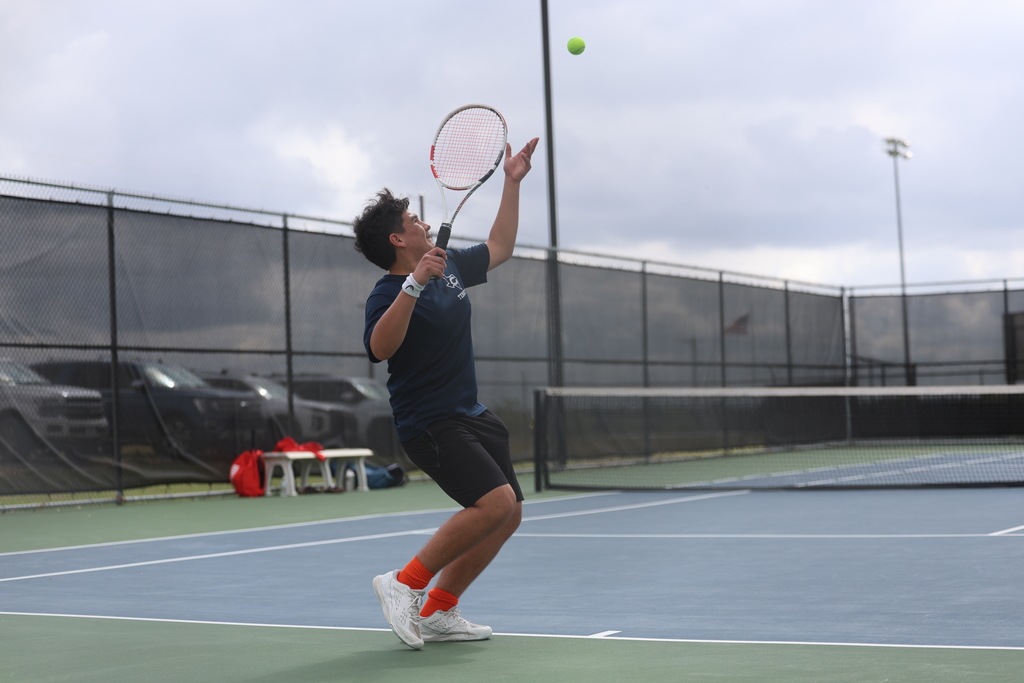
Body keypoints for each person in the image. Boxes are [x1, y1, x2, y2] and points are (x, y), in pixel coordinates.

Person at [353, 135, 540, 650]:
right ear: (397, 240)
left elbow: (501, 247)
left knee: (510, 512)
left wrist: (511, 182)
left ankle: (439, 609)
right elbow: (379, 347)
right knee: (493, 502)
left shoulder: (450, 264)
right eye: (411, 221)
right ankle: (404, 584)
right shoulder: (388, 293)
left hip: (470, 412)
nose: (421, 223)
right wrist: (413, 283)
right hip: (430, 421)